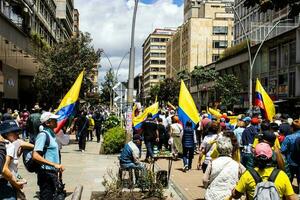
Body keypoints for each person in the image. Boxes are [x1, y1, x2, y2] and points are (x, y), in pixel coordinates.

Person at [230, 142, 297, 200]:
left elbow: (236, 195)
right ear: (271, 156)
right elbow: (292, 198)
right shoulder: (282, 175)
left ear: (254, 157)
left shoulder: (247, 175)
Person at [32, 112, 65, 200]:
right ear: (47, 123)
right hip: (46, 174)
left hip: (52, 173)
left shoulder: (51, 134)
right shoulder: (43, 135)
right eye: (54, 120)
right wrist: (54, 164)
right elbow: (35, 156)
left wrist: (57, 168)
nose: (56, 121)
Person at [203, 136, 245, 200]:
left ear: (218, 149)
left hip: (212, 195)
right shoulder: (237, 164)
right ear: (230, 148)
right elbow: (245, 176)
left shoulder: (212, 162)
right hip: (230, 196)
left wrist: (208, 186)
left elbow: (205, 180)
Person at [0, 121, 32, 200]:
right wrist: (16, 184)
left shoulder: (11, 144)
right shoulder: (9, 146)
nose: (18, 134)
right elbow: (4, 169)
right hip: (5, 184)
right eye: (14, 132)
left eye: (18, 131)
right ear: (6, 134)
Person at [281, 119, 300, 192]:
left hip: (290, 162)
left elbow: (283, 150)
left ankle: (289, 193)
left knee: (289, 178)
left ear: (292, 128)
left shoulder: (289, 137)